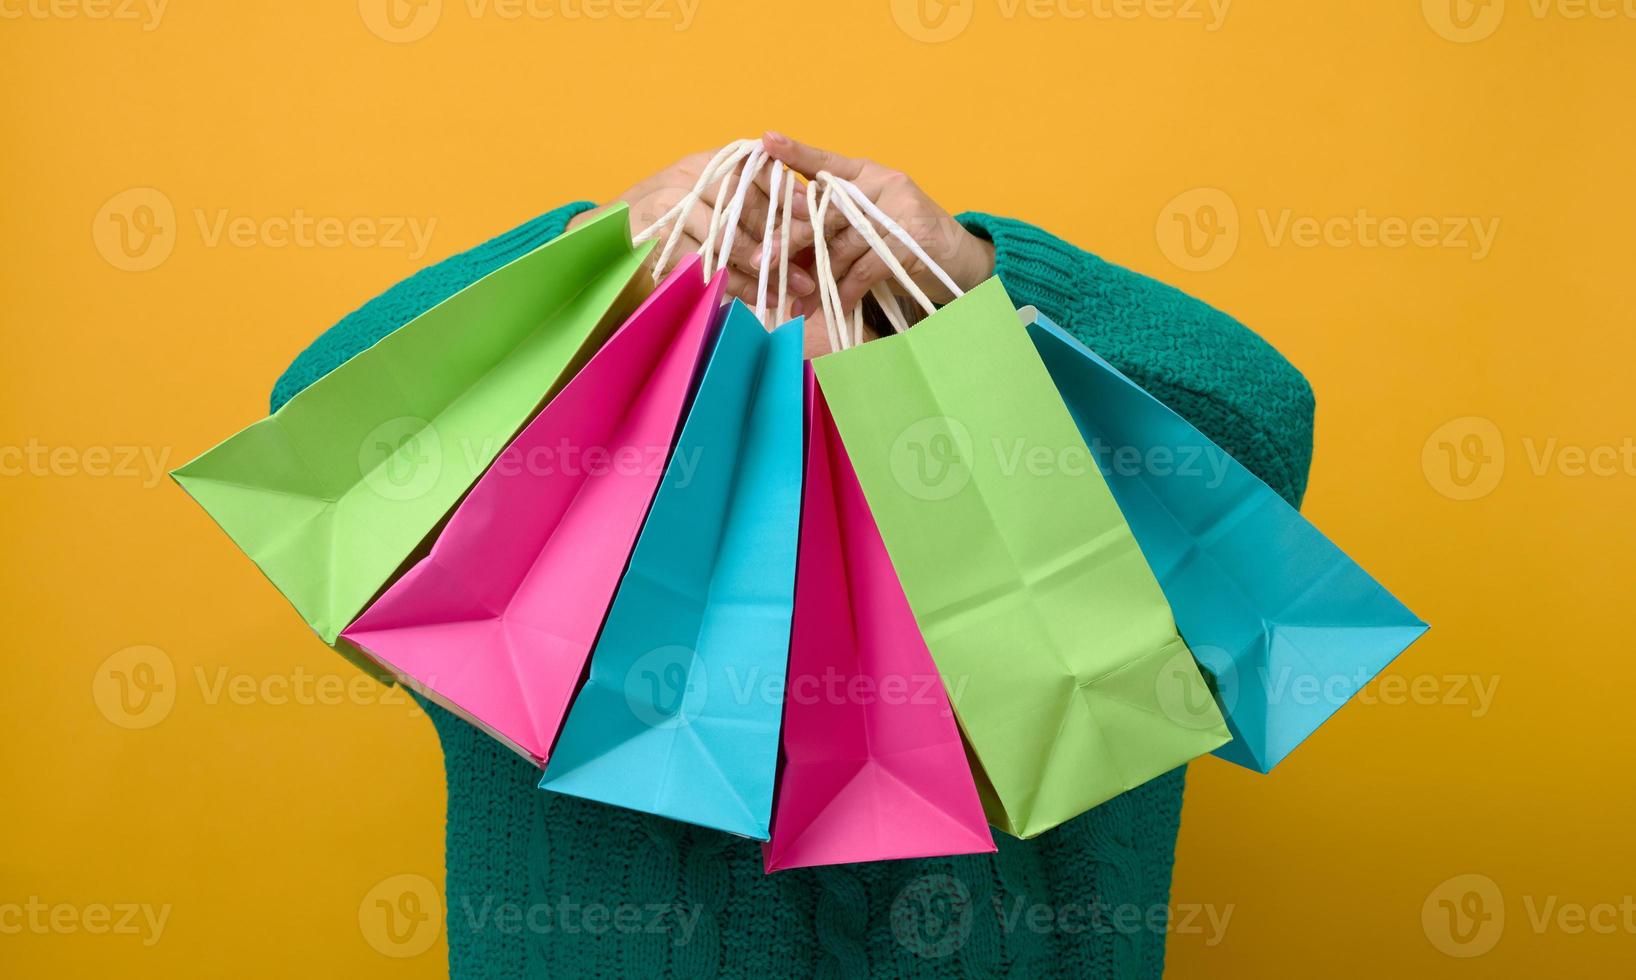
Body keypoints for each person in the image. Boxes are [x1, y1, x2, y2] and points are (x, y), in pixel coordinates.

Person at [271, 132, 1314, 979]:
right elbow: (321, 415)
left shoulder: (1084, 516)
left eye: (857, 319)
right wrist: (599, 256)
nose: (797, 331)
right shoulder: (539, 549)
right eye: (746, 316)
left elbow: (1263, 415)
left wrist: (982, 276)